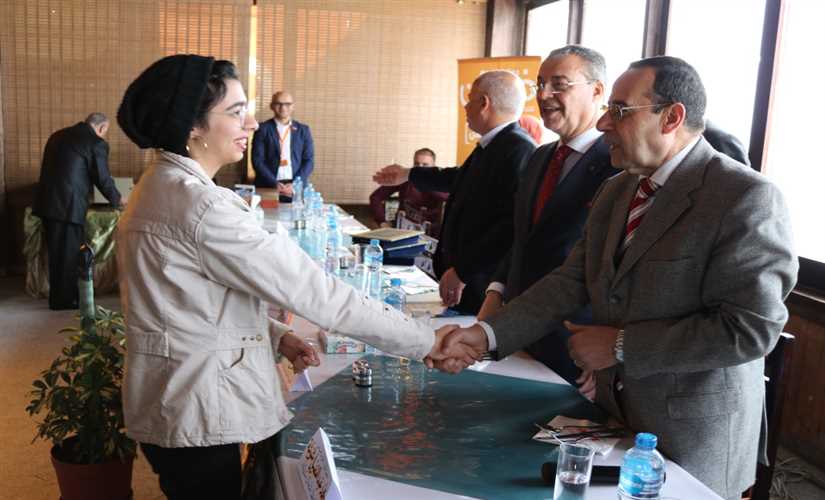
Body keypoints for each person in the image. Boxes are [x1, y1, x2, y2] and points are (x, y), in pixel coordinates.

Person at [115, 55, 477, 499]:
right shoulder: (202, 206)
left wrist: (275, 334)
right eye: (236, 112)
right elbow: (317, 292)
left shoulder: (160, 184)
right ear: (191, 125)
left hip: (173, 395)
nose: (251, 124)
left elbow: (182, 303)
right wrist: (425, 340)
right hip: (196, 405)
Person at [437, 56, 797, 499]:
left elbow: (751, 330)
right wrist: (486, 335)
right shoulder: (617, 189)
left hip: (692, 439)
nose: (604, 123)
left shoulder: (744, 198)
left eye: (620, 110)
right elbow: (570, 281)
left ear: (672, 117)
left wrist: (622, 346)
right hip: (613, 420)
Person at [477, 45, 619, 384]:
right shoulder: (540, 157)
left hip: (579, 344)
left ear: (597, 91)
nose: (543, 95)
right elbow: (522, 238)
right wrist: (496, 292)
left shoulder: (618, 165)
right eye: (540, 84)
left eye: (559, 84)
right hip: (520, 333)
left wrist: (610, 353)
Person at [373, 70, 536, 314]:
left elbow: (508, 226)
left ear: (484, 103)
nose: (466, 107)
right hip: (466, 276)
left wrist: (463, 270)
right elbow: (458, 178)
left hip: (480, 280)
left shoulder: (518, 148)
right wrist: (408, 174)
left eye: (469, 100)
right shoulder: (494, 144)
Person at [32, 112, 123, 310]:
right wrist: (118, 200)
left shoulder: (57, 136)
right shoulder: (95, 143)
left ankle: (57, 298)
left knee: (56, 253)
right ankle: (66, 301)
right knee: (70, 254)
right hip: (68, 206)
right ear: (101, 128)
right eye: (105, 132)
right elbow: (102, 178)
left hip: (47, 203)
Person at [368, 147, 448, 236]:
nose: (420, 168)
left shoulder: (439, 183)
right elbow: (376, 197)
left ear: (434, 167)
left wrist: (429, 184)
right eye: (417, 164)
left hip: (430, 234)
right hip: (401, 231)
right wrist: (382, 222)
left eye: (425, 165)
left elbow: (451, 198)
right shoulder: (405, 178)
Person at [251, 91, 314, 201]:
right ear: (271, 106)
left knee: (296, 211)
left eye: (287, 104)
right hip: (268, 185)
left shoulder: (303, 130)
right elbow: (257, 160)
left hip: (295, 187)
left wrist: (295, 184)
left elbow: (309, 160)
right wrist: (274, 183)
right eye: (278, 103)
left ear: (293, 106)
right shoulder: (262, 129)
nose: (283, 107)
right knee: (267, 212)